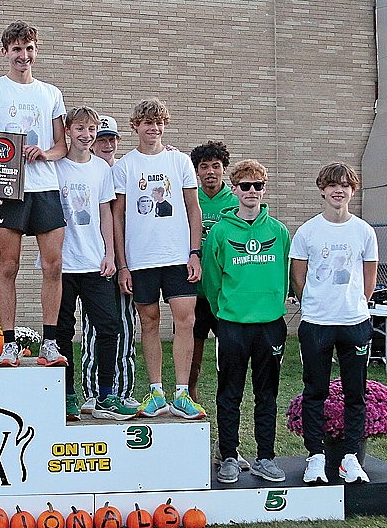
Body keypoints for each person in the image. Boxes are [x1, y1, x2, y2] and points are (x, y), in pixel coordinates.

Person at [0, 20, 69, 368]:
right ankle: (11, 342)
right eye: (16, 49)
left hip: (45, 188)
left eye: (29, 48)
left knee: (53, 266)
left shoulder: (50, 93)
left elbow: (61, 145)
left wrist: (44, 153)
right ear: (5, 52)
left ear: (36, 51)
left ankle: (50, 342)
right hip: (9, 190)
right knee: (9, 266)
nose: (23, 55)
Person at [111, 98, 206, 420]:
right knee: (149, 323)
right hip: (141, 260)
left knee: (186, 321)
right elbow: (118, 216)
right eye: (148, 123)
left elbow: (194, 209)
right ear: (136, 126)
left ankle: (181, 393)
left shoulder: (179, 162)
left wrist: (194, 253)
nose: (154, 128)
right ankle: (155, 391)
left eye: (159, 123)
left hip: (178, 256)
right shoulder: (124, 166)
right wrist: (123, 265)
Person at [201, 159, 290, 484]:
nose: (252, 192)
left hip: (270, 325)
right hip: (232, 325)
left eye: (258, 186)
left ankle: (266, 457)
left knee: (266, 394)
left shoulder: (278, 231)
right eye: (245, 186)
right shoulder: (221, 231)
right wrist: (226, 310)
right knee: (229, 393)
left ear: (264, 190)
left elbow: (284, 273)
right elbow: (211, 281)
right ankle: (228, 456)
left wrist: (272, 304)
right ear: (235, 189)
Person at [290, 162, 377, 484]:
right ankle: (315, 455)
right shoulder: (308, 231)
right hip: (316, 323)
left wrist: (355, 304)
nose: (338, 190)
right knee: (316, 391)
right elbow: (298, 277)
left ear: (352, 191)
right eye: (332, 185)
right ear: (322, 190)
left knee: (356, 392)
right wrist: (315, 302)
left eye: (345, 185)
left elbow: (369, 277)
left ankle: (351, 457)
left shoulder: (364, 231)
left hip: (354, 322)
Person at [53, 106, 138, 421]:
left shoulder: (102, 170)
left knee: (109, 327)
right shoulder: (56, 166)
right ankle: (68, 395)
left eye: (91, 130)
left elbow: (106, 214)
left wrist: (110, 255)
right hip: (61, 265)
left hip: (94, 263)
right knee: (62, 332)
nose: (86, 136)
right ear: (68, 131)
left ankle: (105, 395)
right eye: (80, 129)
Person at [79, 115, 139, 413]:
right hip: (98, 262)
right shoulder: (89, 170)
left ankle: (122, 390)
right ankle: (92, 391)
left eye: (110, 139)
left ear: (117, 141)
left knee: (125, 327)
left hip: (127, 260)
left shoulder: (125, 171)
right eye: (101, 139)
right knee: (95, 328)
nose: (106, 144)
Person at [189, 141, 236, 403]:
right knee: (192, 349)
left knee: (228, 350)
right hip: (194, 289)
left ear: (224, 169)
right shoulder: (190, 197)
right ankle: (190, 392)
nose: (210, 172)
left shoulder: (233, 202)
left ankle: (227, 395)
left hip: (224, 291)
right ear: (197, 171)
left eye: (216, 166)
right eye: (204, 166)